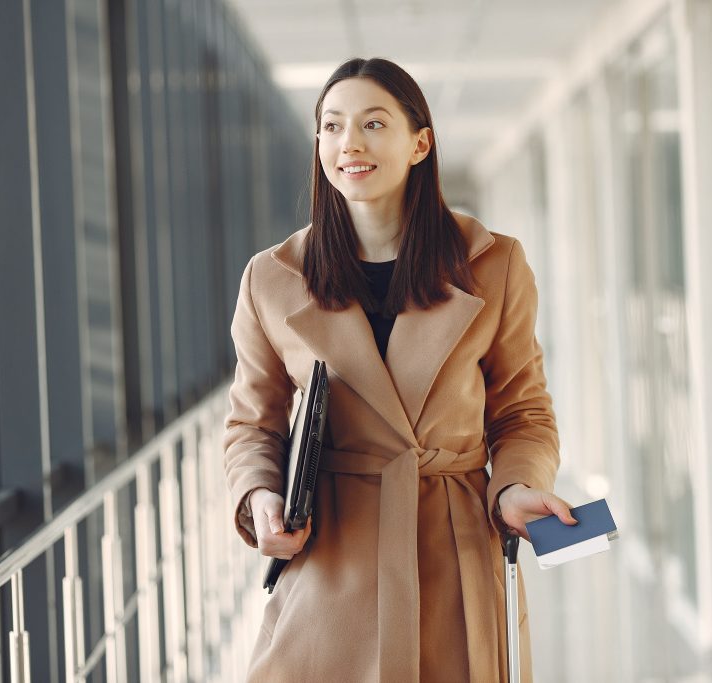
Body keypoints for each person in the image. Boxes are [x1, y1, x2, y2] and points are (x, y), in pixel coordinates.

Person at [223, 56, 577, 683]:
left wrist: (517, 484)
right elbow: (252, 424)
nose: (348, 143)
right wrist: (260, 497)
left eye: (373, 124)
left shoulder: (492, 265)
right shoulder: (272, 280)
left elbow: (522, 412)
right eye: (331, 127)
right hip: (331, 555)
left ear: (420, 143)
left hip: (452, 548)